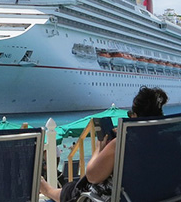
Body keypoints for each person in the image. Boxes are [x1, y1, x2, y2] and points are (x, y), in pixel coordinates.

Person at [40, 86, 169, 202]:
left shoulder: (122, 143)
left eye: (130, 115)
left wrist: (99, 148)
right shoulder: (170, 140)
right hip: (161, 195)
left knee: (76, 189)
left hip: (118, 197)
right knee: (74, 186)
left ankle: (47, 190)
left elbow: (92, 175)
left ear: (135, 117)